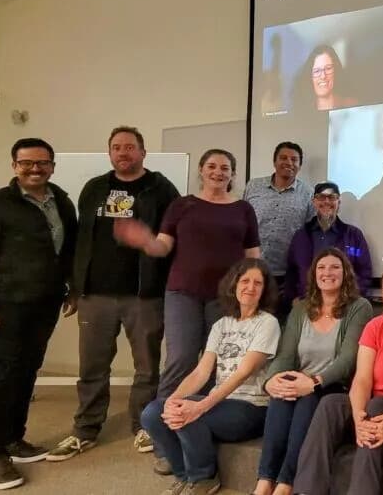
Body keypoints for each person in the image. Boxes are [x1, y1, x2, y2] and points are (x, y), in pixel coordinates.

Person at [114, 148, 260, 474]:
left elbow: (253, 255)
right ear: (201, 170)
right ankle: (164, 433)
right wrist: (144, 240)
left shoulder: (243, 209)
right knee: (181, 359)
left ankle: (196, 430)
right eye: (212, 166)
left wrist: (254, 290)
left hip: (225, 298)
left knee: (215, 365)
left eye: (225, 167)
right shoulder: (182, 205)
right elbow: (163, 246)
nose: (218, 172)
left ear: (233, 174)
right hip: (183, 292)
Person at [45, 126, 180, 462]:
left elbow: (175, 239)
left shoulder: (162, 189)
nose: (123, 153)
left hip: (144, 295)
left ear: (143, 153)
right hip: (95, 296)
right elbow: (79, 241)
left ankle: (144, 424)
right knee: (92, 366)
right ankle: (86, 428)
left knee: (147, 367)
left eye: (130, 147)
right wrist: (76, 287)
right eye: (117, 147)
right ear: (110, 153)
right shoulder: (94, 189)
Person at [0, 138, 78, 490]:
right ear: (14, 166)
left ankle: (14, 439)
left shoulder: (61, 200)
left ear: (53, 166)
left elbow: (66, 249)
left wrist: (71, 288)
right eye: (26, 163)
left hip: (44, 306)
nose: (35, 169)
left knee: (26, 373)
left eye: (42, 163)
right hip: (2, 306)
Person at [291, 262, 383, 495]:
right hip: (374, 412)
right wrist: (359, 419)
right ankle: (307, 490)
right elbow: (362, 379)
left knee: (378, 404)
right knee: (330, 403)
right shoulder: (375, 326)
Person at [141, 258, 281, 495]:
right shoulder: (221, 325)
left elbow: (242, 373)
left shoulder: (268, 324)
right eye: (245, 281)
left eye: (258, 283)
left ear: (264, 290)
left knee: (190, 414)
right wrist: (172, 402)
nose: (250, 287)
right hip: (222, 403)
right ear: (234, 285)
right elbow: (201, 371)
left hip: (251, 408)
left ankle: (204, 477)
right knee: (153, 414)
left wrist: (201, 405)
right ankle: (185, 476)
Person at [255, 247, 373, 495]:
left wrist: (314, 382)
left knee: (307, 399)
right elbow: (285, 355)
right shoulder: (301, 309)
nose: (327, 272)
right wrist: (271, 381)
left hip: (333, 385)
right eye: (321, 267)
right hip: (299, 381)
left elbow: (348, 360)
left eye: (334, 267)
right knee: (281, 394)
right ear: (313, 274)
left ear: (345, 274)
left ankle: (286, 483)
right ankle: (264, 482)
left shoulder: (359, 307)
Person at [243, 141, 316, 321]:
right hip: (252, 269)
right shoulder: (253, 186)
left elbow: (310, 234)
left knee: (279, 325)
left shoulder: (308, 194)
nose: (289, 163)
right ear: (274, 161)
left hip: (286, 276)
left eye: (294, 159)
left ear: (300, 165)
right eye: (283, 158)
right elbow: (241, 222)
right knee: (250, 323)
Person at [282, 181, 372, 301]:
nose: (326, 201)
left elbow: (364, 271)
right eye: (321, 197)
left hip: (344, 305)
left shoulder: (354, 236)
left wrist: (353, 299)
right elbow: (291, 272)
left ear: (338, 203)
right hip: (306, 304)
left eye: (332, 197)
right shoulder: (301, 236)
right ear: (314, 202)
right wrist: (293, 299)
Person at [293, 44, 357, 111]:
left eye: (328, 68)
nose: (323, 76)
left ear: (336, 70)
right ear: (310, 77)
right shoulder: (302, 111)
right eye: (317, 71)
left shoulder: (352, 106)